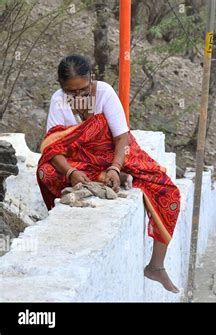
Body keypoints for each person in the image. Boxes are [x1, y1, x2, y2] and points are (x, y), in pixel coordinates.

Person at [37, 55, 181, 293]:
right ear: (61, 87)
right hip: (80, 160)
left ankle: (156, 266)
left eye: (83, 90)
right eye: (71, 93)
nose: (79, 97)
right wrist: (71, 171)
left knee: (166, 190)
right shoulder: (58, 100)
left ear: (91, 79)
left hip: (113, 153)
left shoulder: (104, 92)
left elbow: (121, 137)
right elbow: (52, 146)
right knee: (46, 172)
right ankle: (99, 177)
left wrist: (115, 167)